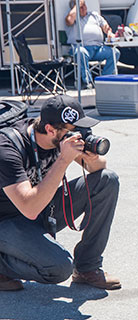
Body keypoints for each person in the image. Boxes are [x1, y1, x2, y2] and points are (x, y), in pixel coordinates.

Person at [0, 95, 120, 291]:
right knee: (58, 269)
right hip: (7, 220)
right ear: (50, 129)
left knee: (107, 180)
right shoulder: (7, 148)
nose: (79, 136)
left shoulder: (57, 139)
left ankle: (87, 268)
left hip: (40, 207)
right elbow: (29, 208)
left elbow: (100, 168)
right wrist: (63, 160)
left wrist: (90, 155)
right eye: (74, 131)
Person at [65, 0, 121, 88]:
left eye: (84, 5)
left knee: (115, 53)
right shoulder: (73, 18)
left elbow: (106, 26)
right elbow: (69, 20)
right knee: (81, 52)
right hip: (82, 47)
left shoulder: (94, 15)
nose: (83, 8)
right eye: (80, 7)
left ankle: (104, 80)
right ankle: (87, 81)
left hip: (98, 48)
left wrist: (109, 33)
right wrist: (77, 6)